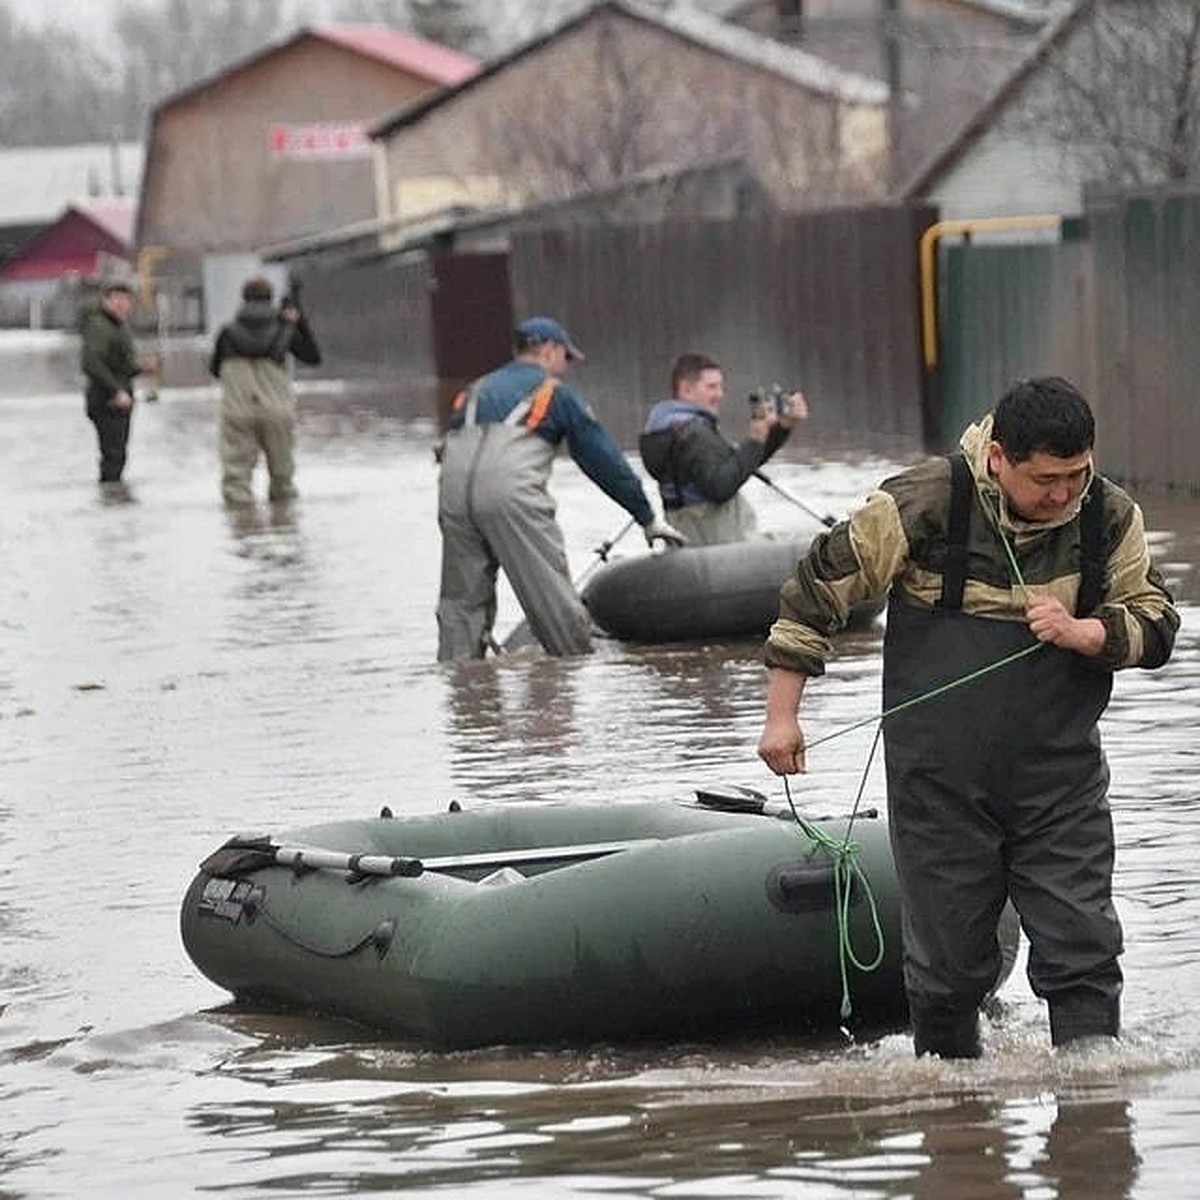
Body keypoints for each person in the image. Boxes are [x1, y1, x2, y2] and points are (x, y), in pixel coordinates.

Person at [757, 376, 1179, 1058]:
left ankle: (1095, 1126)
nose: (1063, 494)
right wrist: (783, 719)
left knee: (1084, 949)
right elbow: (813, 596)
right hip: (939, 786)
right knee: (947, 967)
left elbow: (1157, 622)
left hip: (1060, 781)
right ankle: (954, 1129)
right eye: (1045, 479)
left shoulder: (1109, 516)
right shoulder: (924, 503)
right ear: (998, 459)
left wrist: (1088, 633)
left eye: (1077, 474)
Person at [437, 315, 685, 661]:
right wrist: (645, 515)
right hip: (509, 493)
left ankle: (464, 689)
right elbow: (602, 460)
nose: (565, 368)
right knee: (552, 601)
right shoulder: (553, 393)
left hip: (452, 494)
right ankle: (570, 671)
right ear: (550, 350)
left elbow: (447, 445)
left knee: (460, 607)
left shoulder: (473, 392)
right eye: (566, 358)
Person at [639, 352, 809, 545]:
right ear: (686, 389)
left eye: (720, 386)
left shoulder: (669, 429)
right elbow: (721, 487)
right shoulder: (694, 434)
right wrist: (754, 441)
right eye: (711, 387)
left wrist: (780, 429)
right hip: (719, 542)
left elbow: (737, 467)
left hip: (691, 537)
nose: (720, 394)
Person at [209, 275, 321, 506]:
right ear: (270, 299)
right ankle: (283, 531)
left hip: (238, 410)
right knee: (283, 481)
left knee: (236, 482)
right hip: (277, 411)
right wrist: (296, 322)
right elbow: (313, 357)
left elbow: (214, 370)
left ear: (243, 299)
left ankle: (242, 533)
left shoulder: (227, 333)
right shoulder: (284, 329)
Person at [80, 278, 153, 485]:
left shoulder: (119, 327)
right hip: (106, 400)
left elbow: (120, 366)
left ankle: (114, 500)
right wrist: (115, 391)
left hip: (120, 398)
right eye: (116, 299)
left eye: (126, 299)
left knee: (118, 454)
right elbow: (92, 363)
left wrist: (141, 368)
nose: (122, 304)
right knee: (113, 456)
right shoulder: (99, 326)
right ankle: (111, 502)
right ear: (106, 301)